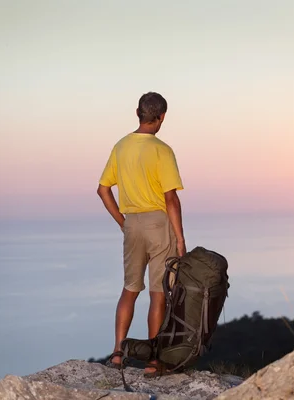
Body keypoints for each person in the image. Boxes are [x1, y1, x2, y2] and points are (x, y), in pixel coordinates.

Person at [97, 92, 186, 375]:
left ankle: (117, 354)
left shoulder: (121, 146)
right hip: (159, 224)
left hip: (132, 224)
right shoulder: (162, 150)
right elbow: (170, 198)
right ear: (161, 117)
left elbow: (103, 190)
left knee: (130, 289)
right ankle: (153, 362)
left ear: (138, 113)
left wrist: (122, 221)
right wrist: (181, 239)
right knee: (159, 294)